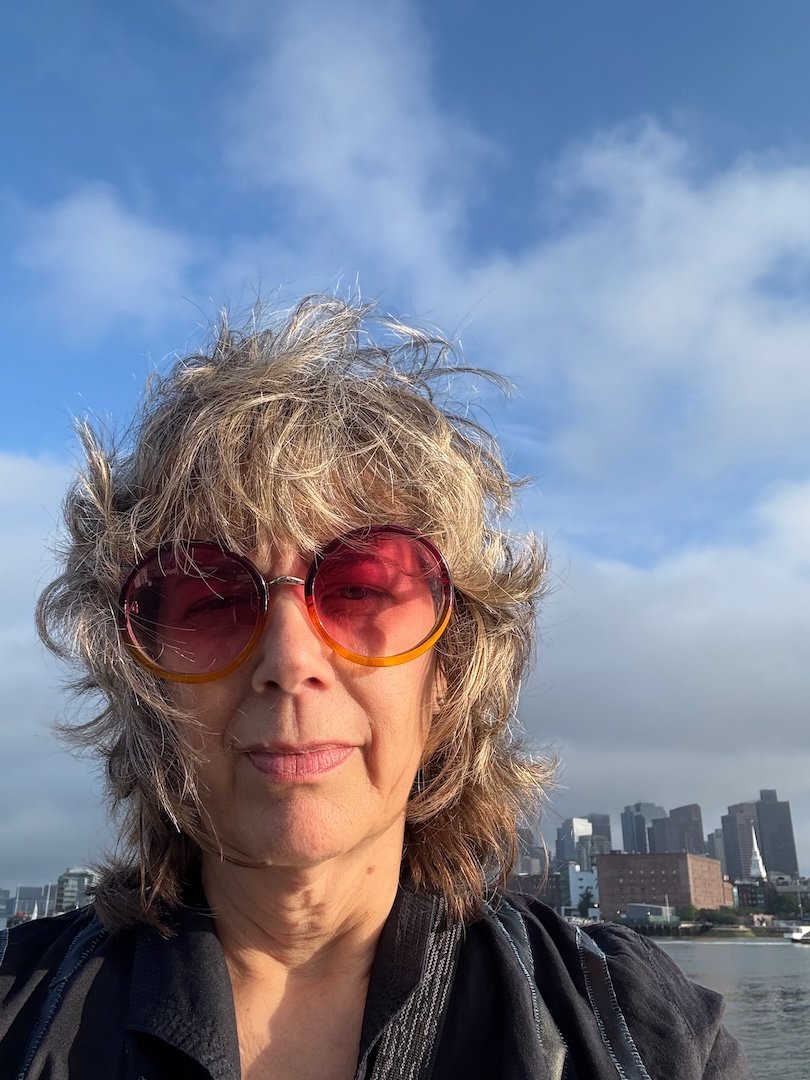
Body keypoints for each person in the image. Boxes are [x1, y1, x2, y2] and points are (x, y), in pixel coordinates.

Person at [0, 295, 751, 1079]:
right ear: (144, 681)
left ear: (448, 670)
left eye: (359, 589)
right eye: (212, 599)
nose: (289, 658)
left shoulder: (634, 1031)